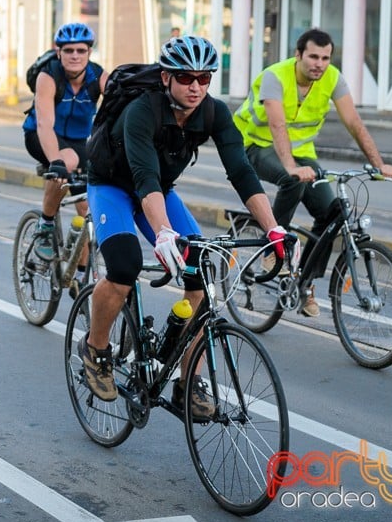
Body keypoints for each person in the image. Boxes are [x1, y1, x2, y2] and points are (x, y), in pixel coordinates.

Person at [84, 36, 287, 419]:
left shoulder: (214, 113)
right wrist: (163, 234)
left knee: (201, 271)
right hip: (113, 185)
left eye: (205, 78)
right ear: (166, 78)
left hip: (158, 190)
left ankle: (185, 380)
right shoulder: (141, 111)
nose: (196, 86)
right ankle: (96, 350)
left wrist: (274, 228)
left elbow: (241, 172)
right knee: (124, 266)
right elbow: (144, 178)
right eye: (186, 77)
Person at [234, 28, 392, 317]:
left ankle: (305, 283)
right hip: (255, 145)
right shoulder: (275, 76)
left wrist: (378, 163)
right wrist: (291, 167)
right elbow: (277, 126)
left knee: (332, 212)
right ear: (298, 55)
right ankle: (273, 249)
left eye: (325, 57)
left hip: (302, 152)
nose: (319, 63)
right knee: (291, 180)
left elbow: (354, 122)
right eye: (313, 56)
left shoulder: (333, 78)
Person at [21, 22, 108, 295]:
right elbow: (45, 124)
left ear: (89, 52)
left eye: (81, 50)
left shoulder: (98, 76)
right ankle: (45, 225)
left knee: (87, 212)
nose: (74, 55)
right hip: (41, 136)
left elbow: (122, 103)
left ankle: (79, 276)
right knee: (67, 161)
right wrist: (55, 161)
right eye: (68, 50)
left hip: (79, 143)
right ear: (57, 52)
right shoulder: (48, 77)